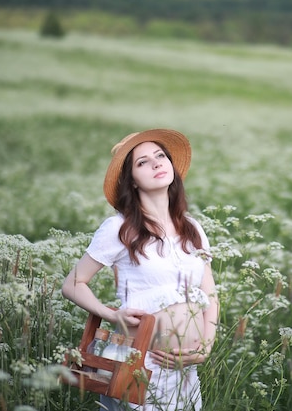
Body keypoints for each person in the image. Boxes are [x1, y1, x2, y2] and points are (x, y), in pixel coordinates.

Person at [62, 128, 218, 411]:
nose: (156, 163)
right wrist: (111, 313)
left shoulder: (192, 227)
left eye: (160, 156)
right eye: (142, 162)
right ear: (132, 181)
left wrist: (205, 348)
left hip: (184, 370)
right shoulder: (119, 228)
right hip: (138, 363)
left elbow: (211, 295)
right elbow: (73, 283)